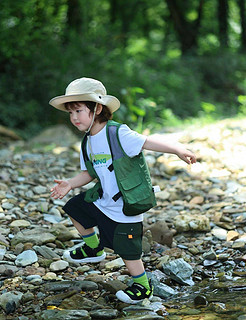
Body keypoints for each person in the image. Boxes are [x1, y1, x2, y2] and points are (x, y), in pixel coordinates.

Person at [49, 77, 196, 304]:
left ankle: (143, 286)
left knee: (128, 251)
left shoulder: (118, 133)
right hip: (103, 201)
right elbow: (90, 173)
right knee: (74, 207)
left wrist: (177, 148)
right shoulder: (87, 142)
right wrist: (70, 183)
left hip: (125, 206)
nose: (74, 118)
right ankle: (93, 248)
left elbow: (147, 142)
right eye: (70, 113)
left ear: (97, 108)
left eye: (78, 110)